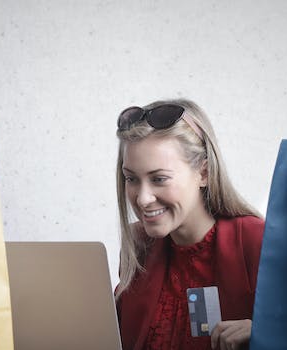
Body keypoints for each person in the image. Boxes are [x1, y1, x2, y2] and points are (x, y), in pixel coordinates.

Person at [114, 99, 264, 350]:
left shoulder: (255, 242)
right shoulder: (139, 246)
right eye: (131, 178)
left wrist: (268, 336)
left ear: (203, 173)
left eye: (159, 178)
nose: (142, 198)